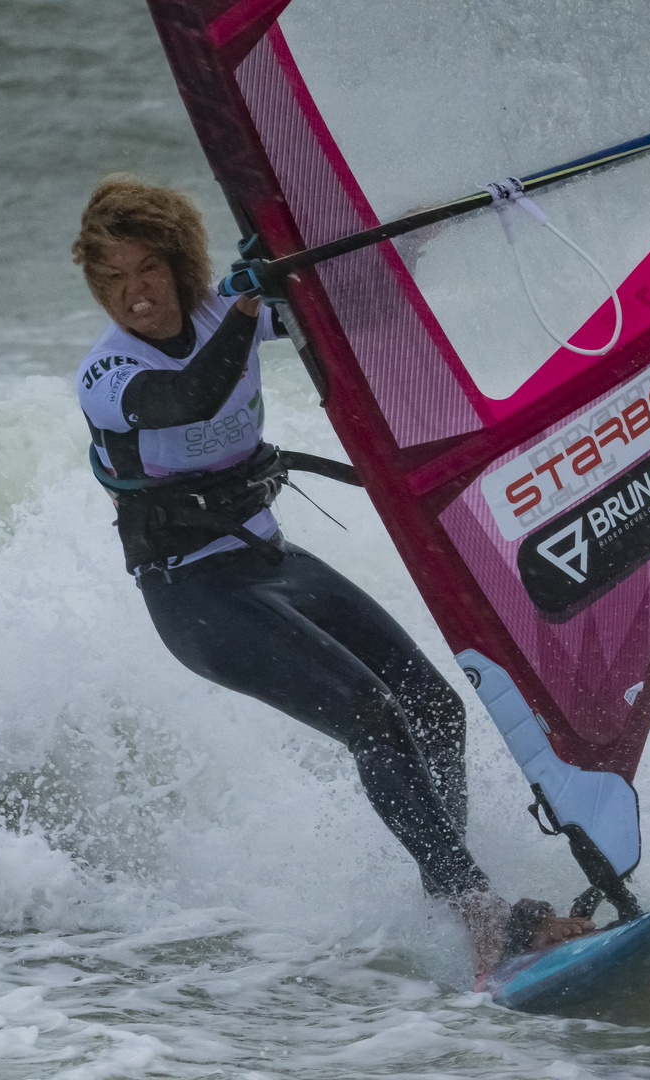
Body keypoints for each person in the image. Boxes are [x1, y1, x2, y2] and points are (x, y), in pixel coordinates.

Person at [70, 177, 592, 972]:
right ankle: (483, 913)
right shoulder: (108, 374)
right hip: (196, 596)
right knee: (373, 719)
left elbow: (355, 308)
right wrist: (248, 305)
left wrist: (419, 231)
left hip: (270, 563)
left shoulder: (221, 312)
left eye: (144, 269)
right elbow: (188, 396)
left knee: (434, 708)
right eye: (111, 278)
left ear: (178, 263)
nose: (132, 294)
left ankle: (453, 895)